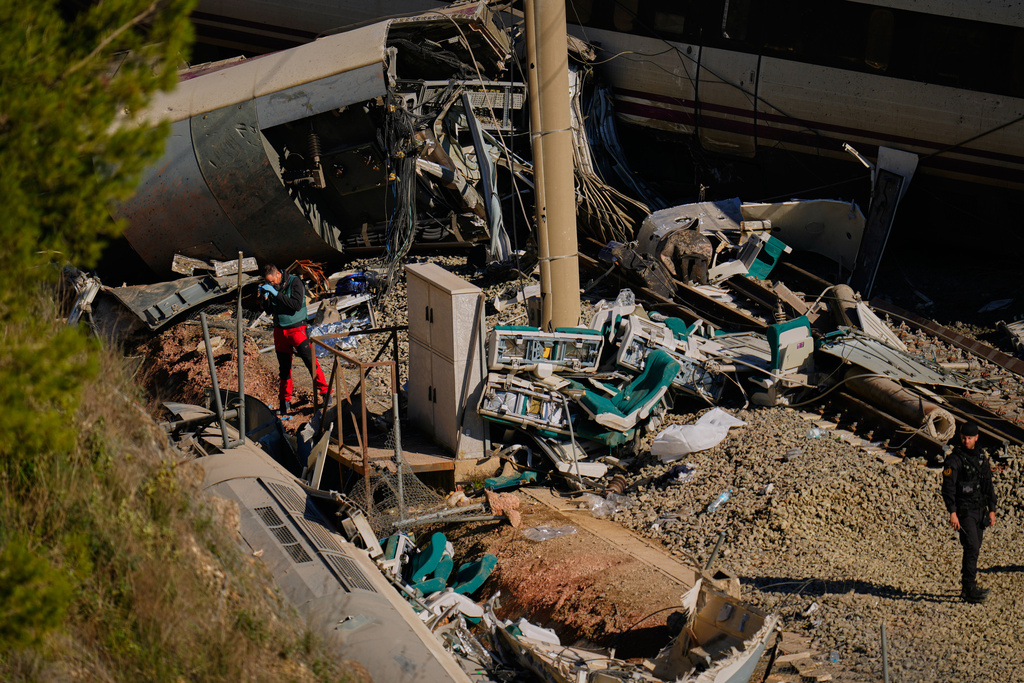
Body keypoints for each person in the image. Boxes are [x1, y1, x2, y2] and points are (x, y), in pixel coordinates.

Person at [259, 264, 329, 414]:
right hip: (279, 331)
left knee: (310, 361)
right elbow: (269, 310)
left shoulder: (295, 282)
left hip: (297, 329)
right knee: (284, 368)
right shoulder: (272, 287)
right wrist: (265, 298)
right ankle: (284, 403)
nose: (271, 284)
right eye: (268, 282)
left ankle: (325, 393)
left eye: (272, 281)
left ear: (278, 274)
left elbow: (296, 305)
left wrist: (275, 293)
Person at [941, 422, 997, 603]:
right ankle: (969, 588)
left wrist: (992, 509)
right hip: (964, 511)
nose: (966, 441)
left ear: (976, 438)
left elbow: (988, 484)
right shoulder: (954, 460)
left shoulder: (981, 457)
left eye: (970, 438)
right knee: (972, 546)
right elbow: (948, 488)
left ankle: (968, 587)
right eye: (964, 438)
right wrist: (952, 512)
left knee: (975, 547)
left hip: (980, 510)